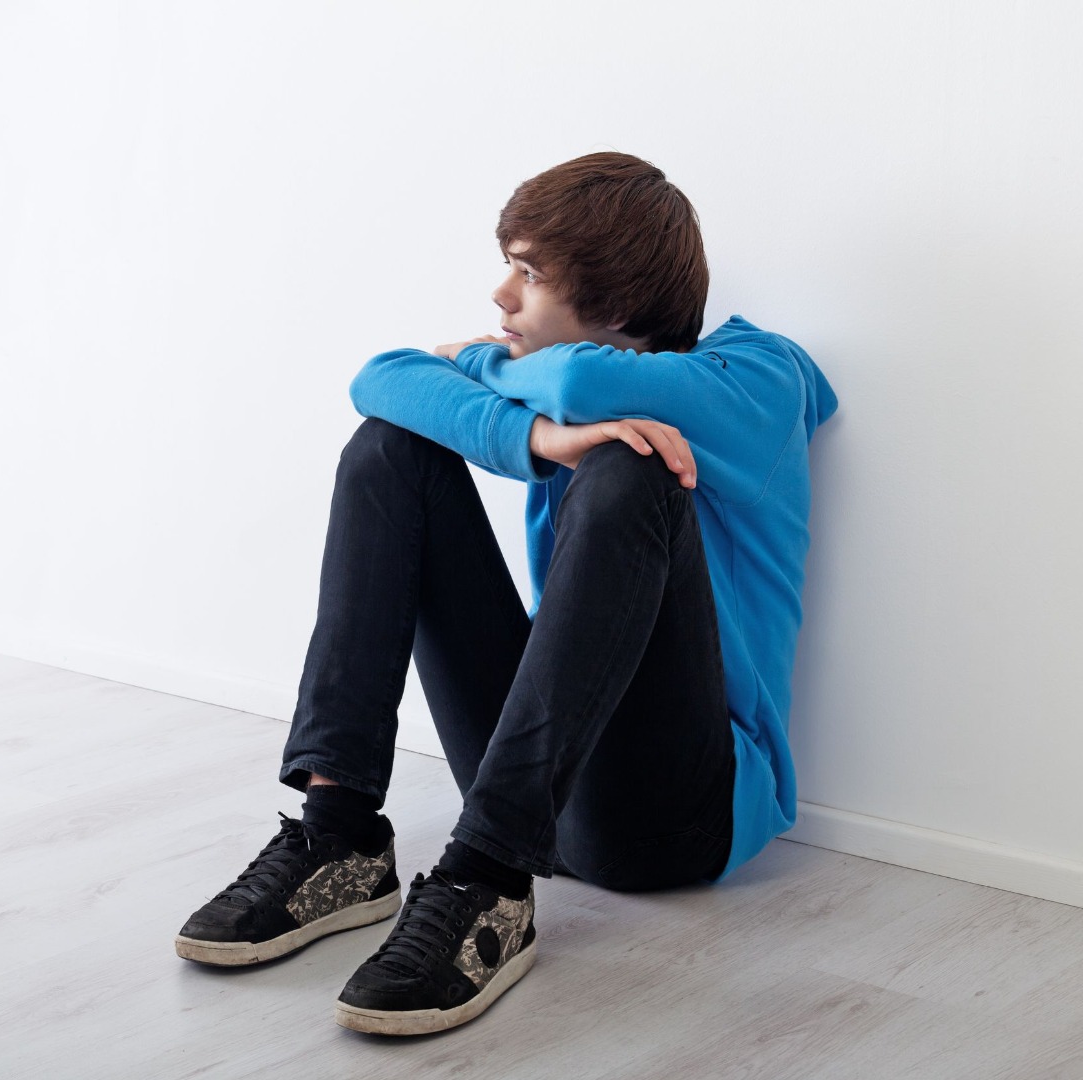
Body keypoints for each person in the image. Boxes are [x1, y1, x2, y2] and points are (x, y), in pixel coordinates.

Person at [174, 151, 838, 1036]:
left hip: (680, 814)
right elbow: (382, 378)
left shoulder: (759, 378)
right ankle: (338, 836)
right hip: (543, 785)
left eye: (528, 273)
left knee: (630, 469)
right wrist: (535, 441)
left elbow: (578, 380)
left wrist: (491, 383)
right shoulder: (551, 383)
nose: (501, 297)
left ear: (620, 303)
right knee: (391, 448)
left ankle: (485, 884)